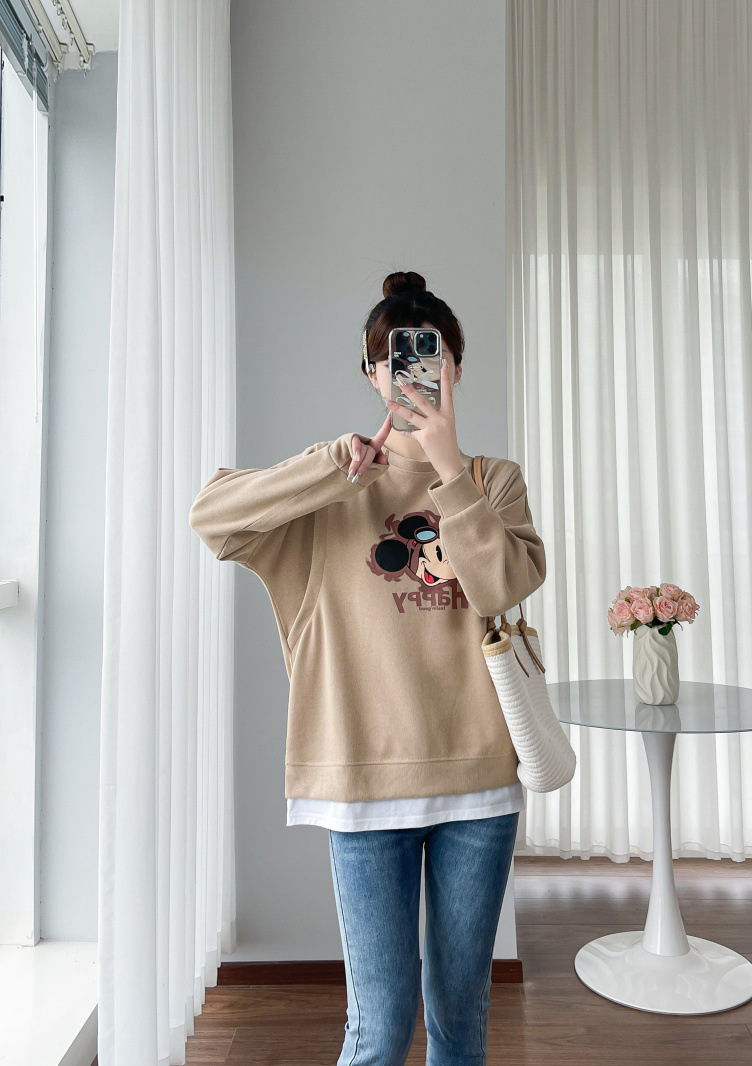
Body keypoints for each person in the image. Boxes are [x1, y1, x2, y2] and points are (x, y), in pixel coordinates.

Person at [189, 270, 546, 1066]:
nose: (414, 372)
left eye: (432, 355)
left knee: (461, 1021)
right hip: (360, 783)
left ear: (456, 368)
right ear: (371, 374)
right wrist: (329, 466)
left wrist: (448, 470)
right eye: (396, 359)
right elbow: (209, 517)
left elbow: (502, 587)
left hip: (478, 783)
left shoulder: (493, 481)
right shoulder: (329, 488)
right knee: (379, 1029)